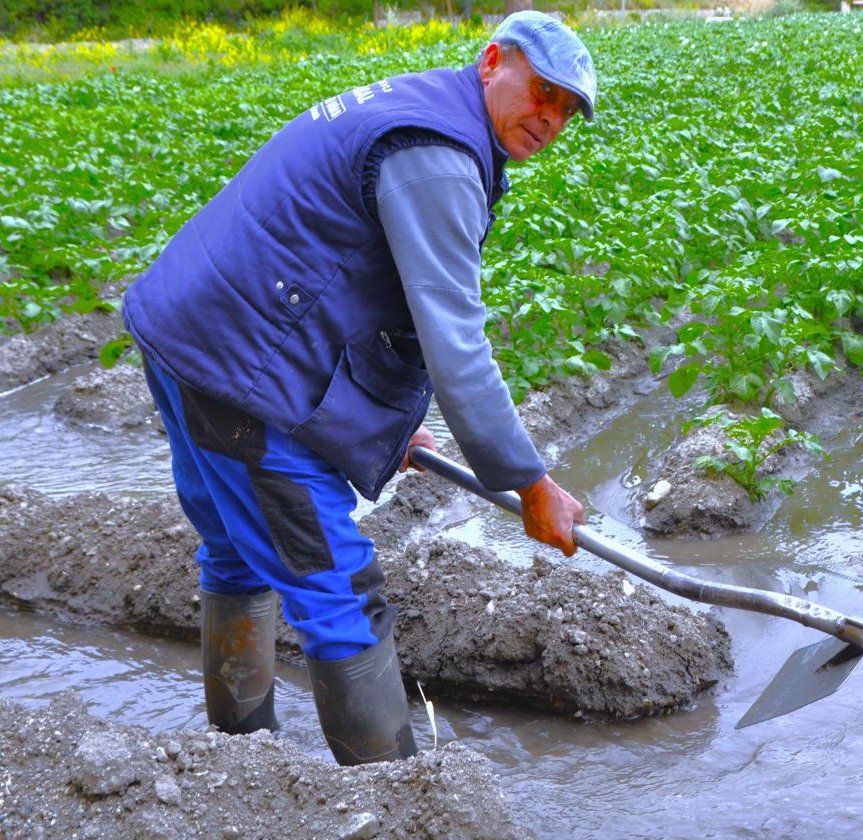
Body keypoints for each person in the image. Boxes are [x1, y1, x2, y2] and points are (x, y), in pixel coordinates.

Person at [122, 11, 595, 766]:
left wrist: (386, 425)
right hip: (238, 371)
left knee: (237, 553)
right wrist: (528, 481)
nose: (550, 118)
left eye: (567, 109)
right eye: (542, 91)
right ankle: (395, 800)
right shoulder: (438, 157)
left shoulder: (420, 110)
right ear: (491, 61)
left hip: (188, 334)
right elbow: (453, 339)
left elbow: (360, 281)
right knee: (338, 588)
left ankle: (236, 763)